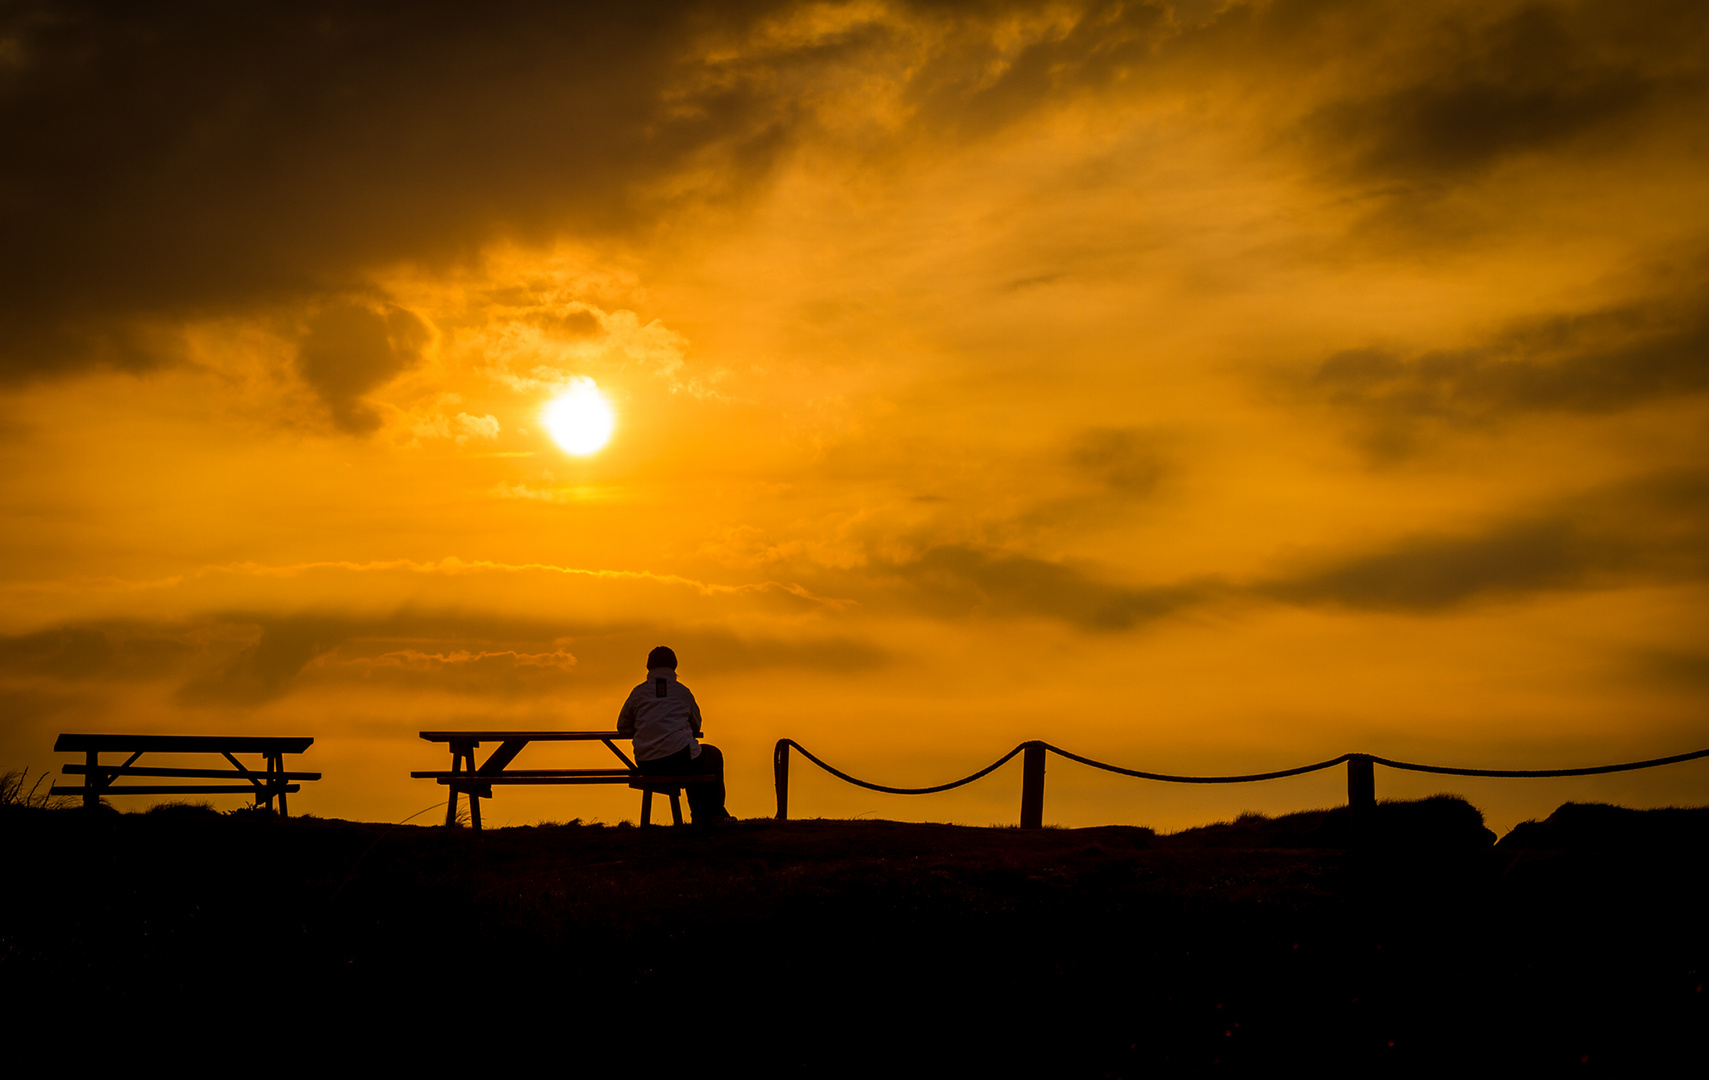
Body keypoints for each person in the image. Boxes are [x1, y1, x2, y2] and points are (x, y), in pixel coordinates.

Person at [617, 646, 732, 824]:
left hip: (647, 763)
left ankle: (704, 815)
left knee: (693, 756)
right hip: (679, 759)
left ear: (649, 666)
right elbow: (696, 723)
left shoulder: (638, 693)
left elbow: (622, 726)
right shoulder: (682, 692)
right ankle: (712, 814)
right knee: (709, 756)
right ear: (674, 666)